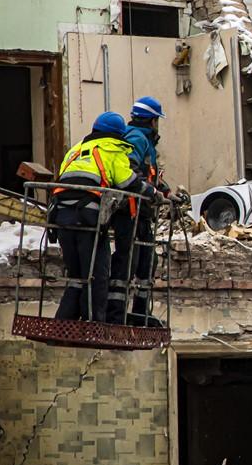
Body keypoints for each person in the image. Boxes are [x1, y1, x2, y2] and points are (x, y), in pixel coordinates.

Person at [49, 112, 154, 324]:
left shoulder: (76, 150)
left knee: (76, 274)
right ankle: (95, 324)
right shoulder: (112, 149)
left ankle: (64, 321)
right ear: (118, 134)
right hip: (87, 215)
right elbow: (127, 181)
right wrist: (153, 193)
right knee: (97, 272)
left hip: (60, 216)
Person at [109, 96, 169, 327]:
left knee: (147, 260)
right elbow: (132, 172)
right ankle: (117, 314)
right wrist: (151, 192)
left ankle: (140, 312)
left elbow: (151, 174)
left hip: (141, 211)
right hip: (130, 210)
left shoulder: (144, 141)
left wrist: (166, 191)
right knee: (128, 260)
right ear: (153, 120)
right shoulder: (136, 137)